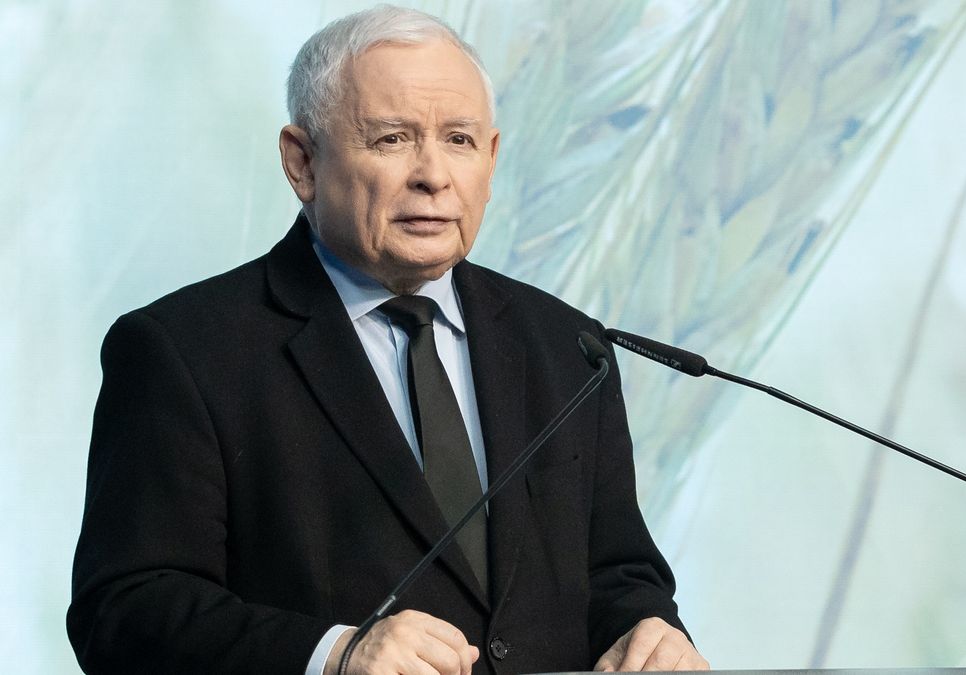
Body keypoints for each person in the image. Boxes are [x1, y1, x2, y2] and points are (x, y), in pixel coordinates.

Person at [66, 5, 708, 675]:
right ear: (303, 162)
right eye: (393, 138)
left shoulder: (568, 345)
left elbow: (617, 572)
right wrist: (332, 655)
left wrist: (649, 629)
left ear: (490, 159)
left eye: (459, 140)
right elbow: (126, 611)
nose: (434, 174)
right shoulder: (184, 351)